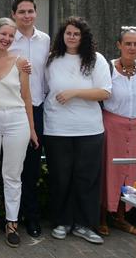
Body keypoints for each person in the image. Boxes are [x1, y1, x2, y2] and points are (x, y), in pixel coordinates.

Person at [44, 16, 111, 245]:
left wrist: (74, 93)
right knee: (60, 178)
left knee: (87, 179)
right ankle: (61, 221)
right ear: (62, 36)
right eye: (68, 33)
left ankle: (85, 224)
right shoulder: (52, 60)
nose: (71, 37)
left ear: (83, 37)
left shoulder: (96, 60)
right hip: (57, 128)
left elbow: (104, 92)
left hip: (89, 129)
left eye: (76, 34)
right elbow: (44, 88)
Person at [0, 18, 38, 247]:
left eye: (11, 36)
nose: (7, 39)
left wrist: (31, 128)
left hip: (16, 120)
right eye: (3, 34)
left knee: (12, 175)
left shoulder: (21, 62)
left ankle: (12, 223)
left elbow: (27, 96)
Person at [98, 27, 136, 237]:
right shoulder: (108, 67)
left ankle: (121, 216)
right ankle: (101, 216)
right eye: (128, 43)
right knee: (108, 171)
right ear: (119, 45)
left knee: (130, 172)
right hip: (112, 125)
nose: (132, 48)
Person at [7, 0, 49, 238]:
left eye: (30, 11)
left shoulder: (45, 40)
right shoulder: (6, 38)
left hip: (37, 108)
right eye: (21, 11)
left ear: (35, 13)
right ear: (14, 14)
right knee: (12, 166)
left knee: (32, 166)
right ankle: (11, 213)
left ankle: (30, 215)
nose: (26, 15)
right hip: (12, 108)